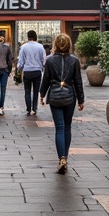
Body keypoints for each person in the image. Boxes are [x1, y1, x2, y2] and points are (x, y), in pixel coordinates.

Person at [40, 33, 84, 173]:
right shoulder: (75, 61)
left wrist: (42, 94)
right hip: (70, 96)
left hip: (55, 96)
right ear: (69, 45)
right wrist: (81, 100)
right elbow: (78, 81)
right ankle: (65, 157)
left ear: (56, 45)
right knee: (67, 127)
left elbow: (46, 79)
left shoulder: (50, 60)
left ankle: (61, 158)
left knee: (59, 127)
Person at [17, 30, 47, 116]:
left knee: (27, 91)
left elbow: (21, 61)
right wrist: (41, 67)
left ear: (28, 37)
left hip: (27, 71)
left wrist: (20, 69)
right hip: (37, 71)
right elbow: (44, 60)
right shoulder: (40, 47)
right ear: (35, 36)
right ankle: (34, 108)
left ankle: (28, 108)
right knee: (36, 91)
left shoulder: (24, 47)